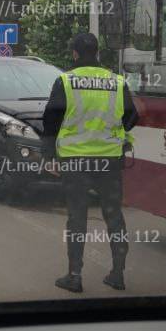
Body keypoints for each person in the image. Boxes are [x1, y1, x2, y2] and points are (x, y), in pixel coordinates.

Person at [41, 32, 138, 293]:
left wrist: (48, 155)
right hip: (109, 159)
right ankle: (117, 274)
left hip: (75, 160)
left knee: (77, 216)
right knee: (113, 214)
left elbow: (50, 121)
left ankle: (74, 276)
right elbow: (131, 117)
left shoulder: (65, 81)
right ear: (97, 52)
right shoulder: (117, 82)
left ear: (74, 53)